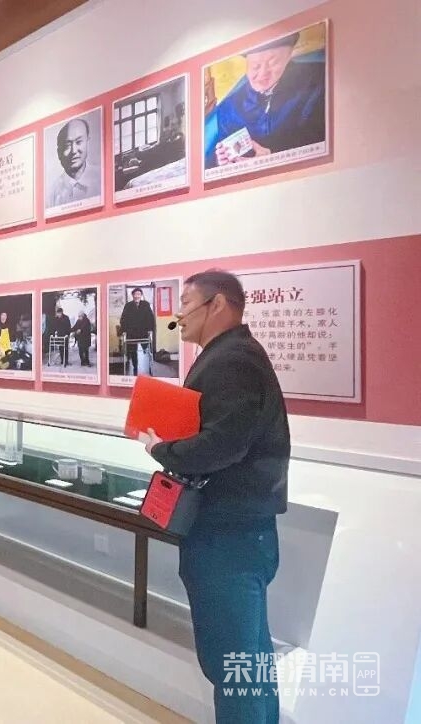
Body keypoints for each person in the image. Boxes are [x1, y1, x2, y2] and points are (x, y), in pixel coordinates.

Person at [143, 270, 289, 724]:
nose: (178, 315)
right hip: (237, 531)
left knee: (234, 665)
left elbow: (222, 445)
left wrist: (161, 449)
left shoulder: (233, 361)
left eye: (186, 303)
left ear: (218, 304)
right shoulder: (229, 356)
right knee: (248, 661)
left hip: (229, 535)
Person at [206, 32, 326, 169]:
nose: (263, 73)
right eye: (255, 66)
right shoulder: (228, 108)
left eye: (273, 63)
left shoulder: (319, 79)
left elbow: (322, 137)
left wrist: (272, 155)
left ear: (289, 56)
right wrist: (223, 161)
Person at [50, 117, 100, 205]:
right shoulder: (52, 190)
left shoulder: (100, 177)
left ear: (87, 142)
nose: (74, 150)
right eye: (67, 145)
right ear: (59, 153)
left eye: (79, 142)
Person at [119, 288, 156, 375]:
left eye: (139, 294)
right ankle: (135, 366)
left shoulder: (146, 304)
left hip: (143, 331)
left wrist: (150, 329)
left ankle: (149, 365)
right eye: (135, 294)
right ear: (133, 295)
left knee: (147, 349)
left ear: (141, 295)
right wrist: (124, 330)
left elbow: (150, 318)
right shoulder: (128, 305)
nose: (137, 296)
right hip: (132, 332)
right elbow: (123, 319)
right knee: (133, 350)